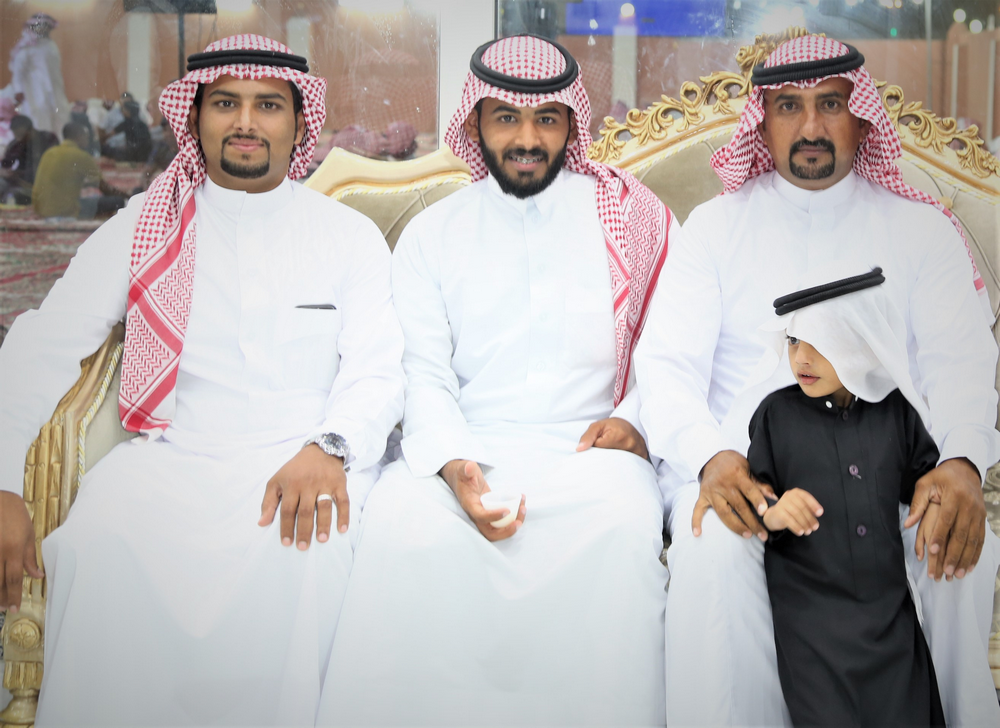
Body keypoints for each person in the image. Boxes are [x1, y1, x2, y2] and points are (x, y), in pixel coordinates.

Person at [0, 35, 404, 726]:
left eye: (268, 105)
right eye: (226, 104)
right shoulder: (145, 225)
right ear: (194, 118)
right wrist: (5, 480)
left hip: (304, 454)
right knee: (100, 543)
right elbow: (46, 342)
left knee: (312, 557)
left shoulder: (346, 235)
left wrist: (331, 446)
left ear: (299, 123)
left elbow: (379, 366)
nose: (246, 121)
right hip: (172, 453)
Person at [634, 35, 1000, 727]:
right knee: (713, 552)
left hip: (888, 476)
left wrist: (960, 462)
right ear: (761, 122)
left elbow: (961, 363)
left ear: (861, 119)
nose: (810, 126)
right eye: (789, 107)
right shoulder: (714, 229)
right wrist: (710, 458)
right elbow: (667, 367)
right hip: (748, 476)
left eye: (830, 104)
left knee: (957, 548)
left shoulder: (921, 230)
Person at [317, 34, 675, 726]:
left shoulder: (631, 218)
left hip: (593, 454)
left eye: (547, 119)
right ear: (476, 122)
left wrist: (634, 419)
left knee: (620, 530)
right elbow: (421, 371)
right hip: (461, 447)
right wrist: (455, 465)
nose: (527, 139)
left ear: (571, 124)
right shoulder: (433, 233)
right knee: (399, 527)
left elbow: (672, 343)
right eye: (506, 118)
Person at [746, 267, 944, 727]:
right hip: (812, 625)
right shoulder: (776, 416)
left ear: (860, 341)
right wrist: (775, 512)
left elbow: (923, 478)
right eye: (794, 341)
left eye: (819, 342)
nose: (802, 358)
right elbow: (755, 495)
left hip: (889, 616)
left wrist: (933, 496)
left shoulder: (895, 412)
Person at [31, 121, 127, 219]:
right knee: (117, 201)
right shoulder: (81, 155)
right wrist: (127, 196)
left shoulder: (49, 152)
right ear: (79, 136)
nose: (88, 140)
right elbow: (103, 187)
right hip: (64, 210)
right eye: (86, 137)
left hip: (40, 208)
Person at [1, 13, 69, 137]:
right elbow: (18, 72)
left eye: (45, 26)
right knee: (39, 118)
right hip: (35, 90)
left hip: (54, 89)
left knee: (58, 116)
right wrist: (19, 91)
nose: (43, 29)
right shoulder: (27, 47)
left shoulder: (51, 45)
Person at [0, 114, 57, 203]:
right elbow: (6, 164)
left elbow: (52, 165)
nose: (19, 138)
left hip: (44, 182)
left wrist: (19, 173)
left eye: (21, 135)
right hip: (21, 182)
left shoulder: (48, 138)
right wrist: (4, 172)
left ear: (31, 130)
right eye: (16, 135)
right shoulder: (16, 143)